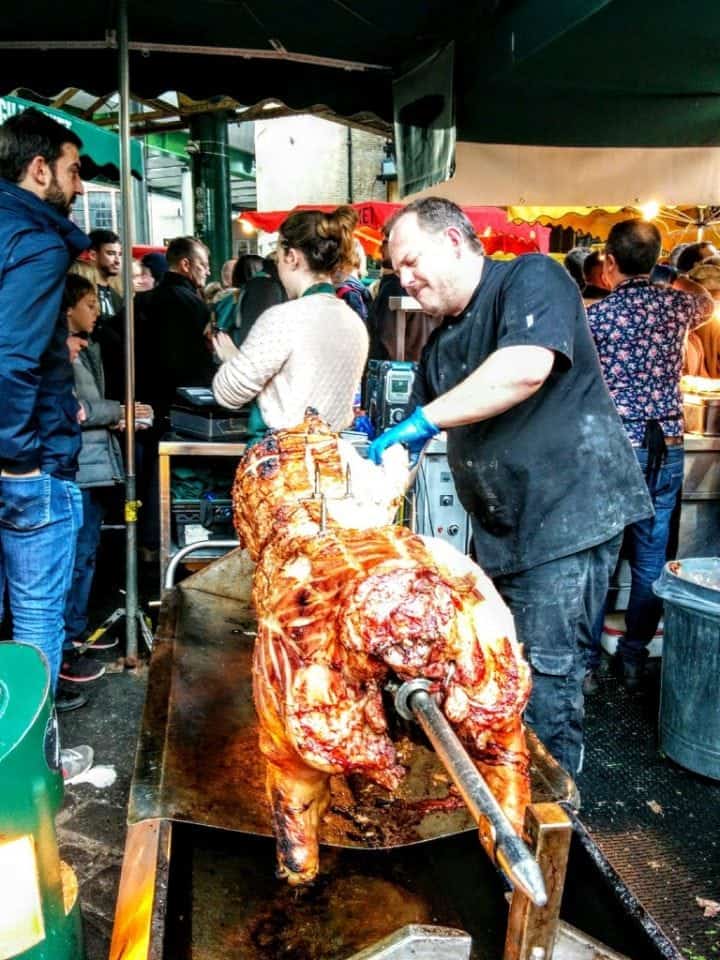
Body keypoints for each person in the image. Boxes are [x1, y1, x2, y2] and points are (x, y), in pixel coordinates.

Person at [367, 198, 652, 776]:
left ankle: (553, 826)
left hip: (568, 515)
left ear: (452, 240)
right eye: (398, 269)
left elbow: (524, 367)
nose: (406, 277)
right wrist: (375, 496)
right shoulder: (441, 341)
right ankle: (508, 795)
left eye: (412, 260)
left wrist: (422, 421)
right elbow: (412, 445)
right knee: (496, 667)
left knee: (546, 676)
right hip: (503, 529)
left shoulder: (531, 278)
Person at [0, 106, 93, 777]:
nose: (81, 186)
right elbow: (10, 356)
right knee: (36, 621)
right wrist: (21, 458)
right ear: (39, 170)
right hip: (25, 468)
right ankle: (33, 769)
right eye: (73, 170)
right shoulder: (37, 237)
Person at [586, 219, 713, 692]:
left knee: (600, 557)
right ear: (656, 259)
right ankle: (634, 657)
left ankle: (585, 666)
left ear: (610, 263)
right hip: (669, 445)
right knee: (651, 559)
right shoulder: (679, 305)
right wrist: (670, 273)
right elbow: (706, 298)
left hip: (617, 448)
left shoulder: (598, 316)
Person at [212, 208, 368, 442]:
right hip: (330, 460)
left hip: (278, 465)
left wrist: (232, 359)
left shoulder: (283, 318)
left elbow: (228, 393)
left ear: (292, 257)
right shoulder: (353, 322)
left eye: (278, 254)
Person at [62, 274, 152, 669]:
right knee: (76, 556)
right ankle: (64, 644)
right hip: (80, 467)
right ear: (69, 309)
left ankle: (75, 632)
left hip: (96, 465)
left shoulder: (84, 351)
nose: (97, 314)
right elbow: (77, 409)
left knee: (86, 554)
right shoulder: (59, 355)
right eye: (90, 306)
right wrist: (120, 412)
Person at [134, 237, 216, 554]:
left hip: (144, 402)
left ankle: (148, 542)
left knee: (147, 477)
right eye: (203, 264)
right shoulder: (190, 303)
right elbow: (196, 362)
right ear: (185, 264)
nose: (207, 271)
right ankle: (164, 544)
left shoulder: (144, 300)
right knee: (175, 482)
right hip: (182, 408)